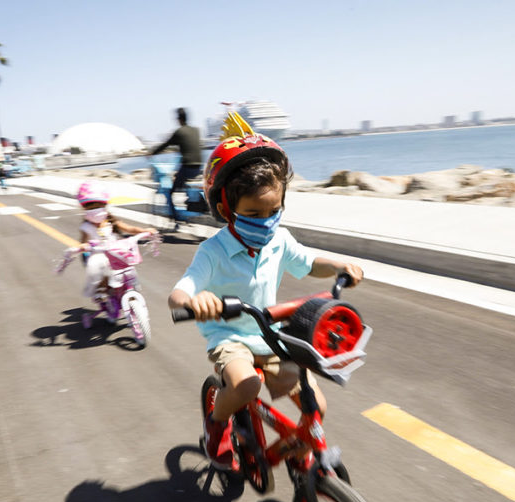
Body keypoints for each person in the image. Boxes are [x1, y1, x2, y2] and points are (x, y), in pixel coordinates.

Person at [167, 113, 363, 470]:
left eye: (274, 210)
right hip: (229, 336)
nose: (266, 221)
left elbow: (308, 262)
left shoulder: (280, 239)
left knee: (315, 404)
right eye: (253, 213)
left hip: (269, 335)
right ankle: (216, 428)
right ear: (226, 208)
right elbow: (180, 293)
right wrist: (196, 301)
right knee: (245, 388)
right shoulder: (213, 251)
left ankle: (294, 453)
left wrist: (336, 266)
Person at [75, 181, 155, 308]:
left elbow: (129, 228)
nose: (95, 210)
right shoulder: (86, 226)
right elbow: (83, 243)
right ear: (85, 209)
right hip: (97, 254)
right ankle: (101, 289)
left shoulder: (110, 221)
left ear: (105, 205)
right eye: (91, 208)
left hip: (114, 251)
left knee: (128, 264)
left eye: (98, 206)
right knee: (100, 266)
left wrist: (145, 231)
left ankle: (129, 287)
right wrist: (83, 246)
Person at [148, 107, 203, 229]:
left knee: (171, 192)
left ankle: (176, 220)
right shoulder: (196, 130)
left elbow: (166, 144)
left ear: (179, 119)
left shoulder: (179, 132)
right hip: (199, 167)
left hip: (187, 167)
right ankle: (187, 210)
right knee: (184, 186)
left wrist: (152, 152)